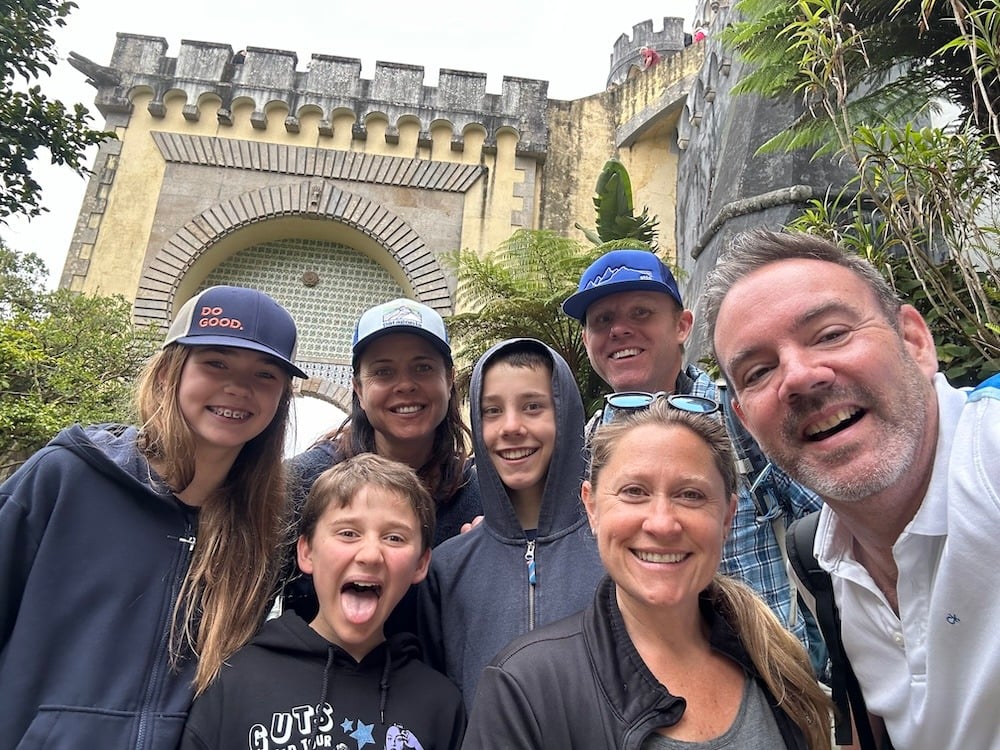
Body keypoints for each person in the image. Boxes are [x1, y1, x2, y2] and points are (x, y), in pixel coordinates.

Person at [700, 228, 1000, 750]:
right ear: (746, 422)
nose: (798, 376)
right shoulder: (820, 559)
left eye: (831, 333)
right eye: (759, 370)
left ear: (914, 340)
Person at [0, 285, 305, 748]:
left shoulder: (261, 530)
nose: (239, 388)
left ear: (281, 399)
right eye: (216, 362)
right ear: (169, 373)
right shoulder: (67, 478)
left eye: (265, 375)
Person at [463, 400, 833, 748]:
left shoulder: (780, 665)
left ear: (727, 517)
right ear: (592, 508)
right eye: (634, 492)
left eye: (690, 495)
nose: (661, 523)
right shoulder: (523, 691)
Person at [561, 247, 827, 671]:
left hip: (765, 672)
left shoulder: (743, 413)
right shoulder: (588, 441)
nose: (619, 330)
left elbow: (833, 529)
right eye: (602, 321)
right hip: (642, 682)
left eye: (641, 313)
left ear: (682, 326)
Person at [180, 454, 466, 750]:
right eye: (348, 533)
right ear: (307, 552)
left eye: (394, 538)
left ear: (421, 563)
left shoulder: (441, 707)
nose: (369, 554)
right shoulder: (235, 682)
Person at [417, 338, 604, 707]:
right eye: (492, 411)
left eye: (533, 406)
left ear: (565, 416)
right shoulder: (447, 567)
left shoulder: (614, 553)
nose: (511, 427)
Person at [283, 298, 481, 629]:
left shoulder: (477, 500)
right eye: (383, 371)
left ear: (449, 379)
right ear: (358, 388)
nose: (405, 385)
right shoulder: (304, 482)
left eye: (423, 368)